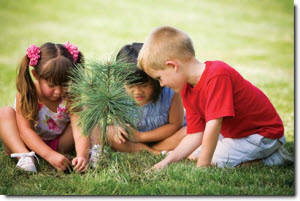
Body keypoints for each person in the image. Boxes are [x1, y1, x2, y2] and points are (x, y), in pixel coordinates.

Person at [137, 26, 294, 169]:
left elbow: (213, 124)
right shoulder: (186, 89)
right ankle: (243, 154)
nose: (162, 84)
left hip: (261, 135)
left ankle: (273, 158)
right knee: (193, 154)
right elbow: (195, 134)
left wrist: (203, 166)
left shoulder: (218, 74)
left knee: (214, 161)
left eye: (159, 78)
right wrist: (166, 162)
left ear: (173, 66)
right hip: (235, 134)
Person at [0, 42, 98, 173]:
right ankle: (24, 157)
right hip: (25, 145)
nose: (58, 91)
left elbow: (79, 128)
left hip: (58, 144)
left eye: (64, 84)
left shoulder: (71, 95)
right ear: (36, 75)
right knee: (4, 113)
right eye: (52, 85)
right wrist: (49, 156)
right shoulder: (28, 94)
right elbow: (25, 131)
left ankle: (93, 152)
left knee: (87, 112)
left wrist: (82, 155)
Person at [107, 42, 186, 154]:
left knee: (189, 132)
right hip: (132, 141)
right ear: (121, 81)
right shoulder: (117, 93)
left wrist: (140, 137)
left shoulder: (170, 92)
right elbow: (115, 118)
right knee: (108, 132)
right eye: (130, 86)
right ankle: (155, 152)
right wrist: (118, 125)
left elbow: (175, 125)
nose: (138, 92)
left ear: (156, 79)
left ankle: (153, 150)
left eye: (144, 85)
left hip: (166, 138)